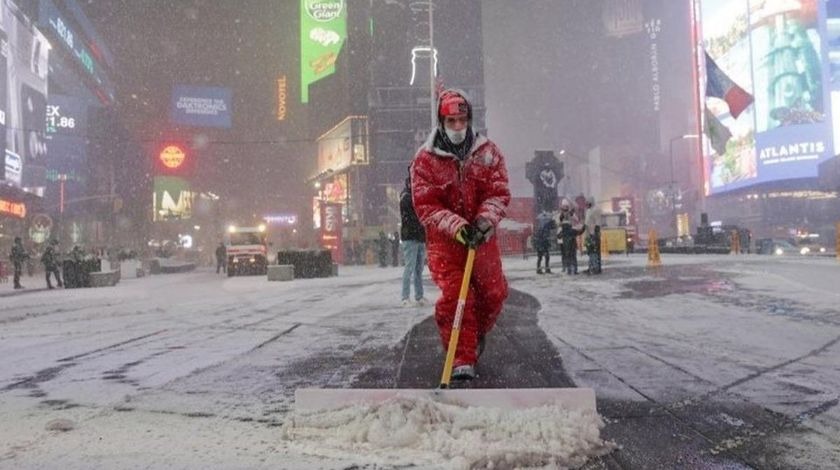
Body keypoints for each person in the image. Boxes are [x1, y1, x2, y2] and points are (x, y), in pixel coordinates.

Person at [411, 88, 511, 381]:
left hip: (483, 239)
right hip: (446, 244)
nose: (457, 127)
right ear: (441, 122)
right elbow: (426, 205)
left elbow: (498, 191)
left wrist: (484, 220)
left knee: (493, 294)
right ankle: (461, 358)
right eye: (451, 121)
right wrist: (457, 227)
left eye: (462, 120)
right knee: (458, 297)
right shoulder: (425, 161)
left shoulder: (488, 153)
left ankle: (472, 334)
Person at [399, 174, 428, 307]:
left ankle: (419, 296)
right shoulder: (406, 197)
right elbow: (414, 216)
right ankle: (405, 297)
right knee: (410, 268)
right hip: (411, 237)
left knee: (418, 269)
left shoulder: (415, 196)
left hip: (419, 236)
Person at [583, 196, 602, 274]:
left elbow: (597, 223)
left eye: (588, 203)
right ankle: (591, 266)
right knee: (590, 252)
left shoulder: (595, 210)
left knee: (594, 252)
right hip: (588, 233)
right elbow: (587, 222)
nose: (586, 204)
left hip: (593, 233)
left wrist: (595, 233)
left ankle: (596, 267)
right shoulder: (588, 211)